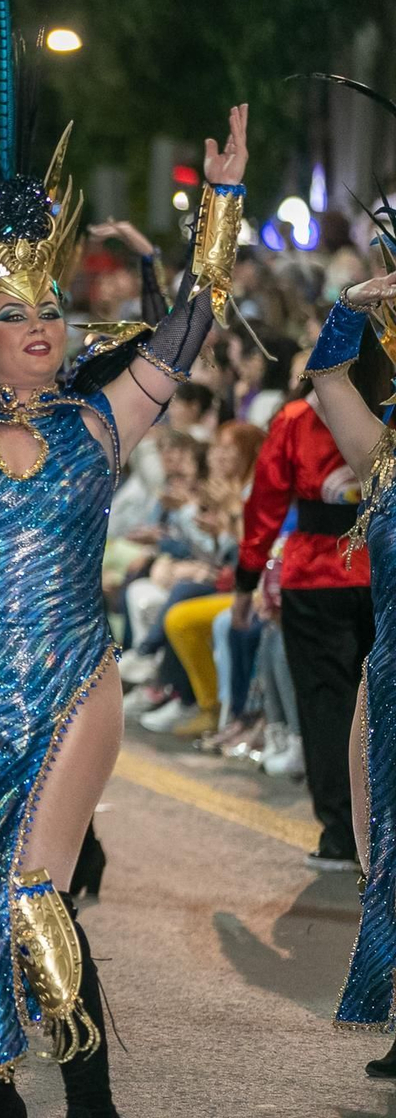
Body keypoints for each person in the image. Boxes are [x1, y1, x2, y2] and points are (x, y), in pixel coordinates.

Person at [0, 60, 244, 1112]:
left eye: (52, 310)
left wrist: (221, 206)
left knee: (28, 890)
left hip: (73, 679)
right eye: (11, 313)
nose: (39, 324)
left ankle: (90, 1093)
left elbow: (188, 326)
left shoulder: (101, 423)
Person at [299, 264, 396, 1071]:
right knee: (387, 854)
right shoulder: (385, 452)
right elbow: (327, 376)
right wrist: (351, 305)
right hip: (393, 680)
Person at [232, 350, 374, 871]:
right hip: (383, 569)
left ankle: (343, 833)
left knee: (327, 704)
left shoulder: (295, 419)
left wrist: (246, 582)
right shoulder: (387, 411)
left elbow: (264, 505)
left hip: (319, 573)